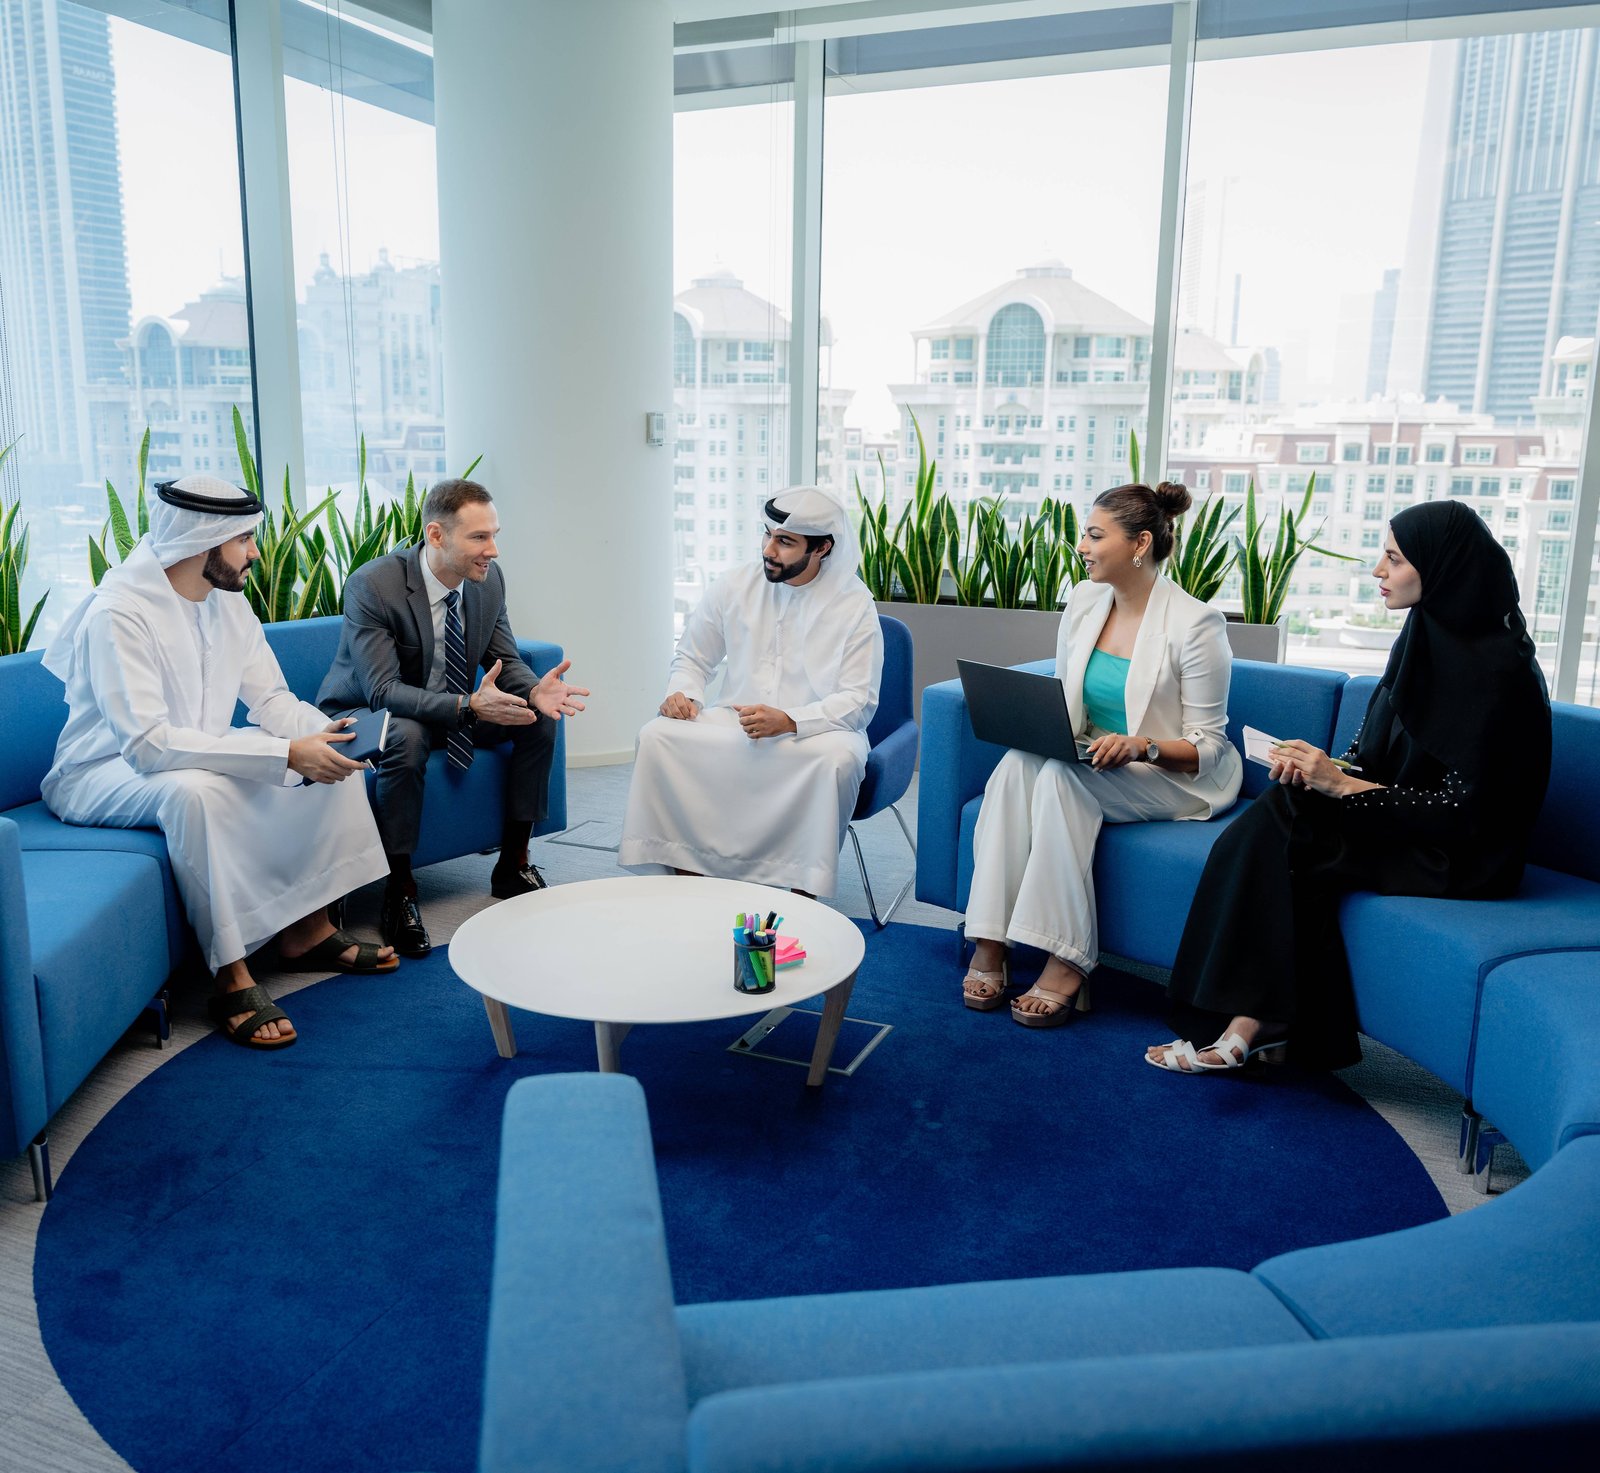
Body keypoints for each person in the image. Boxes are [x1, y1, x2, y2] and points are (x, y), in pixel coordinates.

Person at [1147, 498, 1552, 1074]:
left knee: (1288, 833)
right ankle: (1258, 1025)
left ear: (1440, 569)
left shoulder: (1502, 677)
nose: (1377, 571)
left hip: (1462, 855)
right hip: (1403, 823)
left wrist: (1339, 787)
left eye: (1393, 558)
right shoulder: (1421, 638)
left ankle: (1248, 1024)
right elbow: (1371, 755)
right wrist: (1321, 767)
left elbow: (1467, 813)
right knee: (1289, 807)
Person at [42, 475, 396, 1051]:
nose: (256, 553)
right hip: (102, 771)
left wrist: (321, 734)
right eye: (245, 540)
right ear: (203, 542)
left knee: (320, 760)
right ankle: (231, 977)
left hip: (193, 750)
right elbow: (148, 745)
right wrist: (281, 753)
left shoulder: (227, 603)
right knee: (197, 793)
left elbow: (272, 700)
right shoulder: (119, 613)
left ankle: (309, 931)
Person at [962, 481, 1242, 1028]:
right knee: (1018, 765)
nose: (1082, 546)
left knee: (1062, 785)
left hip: (1173, 773)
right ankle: (991, 940)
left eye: (1094, 535)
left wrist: (1143, 745)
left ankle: (1067, 959)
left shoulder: (1196, 624)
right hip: (1095, 754)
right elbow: (1071, 693)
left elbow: (1209, 745)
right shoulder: (1085, 599)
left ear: (1140, 543)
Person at [317, 478, 589, 958]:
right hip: (369, 716)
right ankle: (400, 890)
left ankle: (513, 863)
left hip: (452, 709)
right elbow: (384, 691)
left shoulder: (487, 584)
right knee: (406, 733)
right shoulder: (373, 585)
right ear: (437, 535)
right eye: (480, 538)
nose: (494, 550)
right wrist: (467, 706)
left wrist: (534, 690)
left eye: (495, 534)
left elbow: (506, 658)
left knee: (536, 717)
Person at [618, 484, 883, 896]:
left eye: (785, 542)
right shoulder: (734, 585)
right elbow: (692, 657)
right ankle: (690, 878)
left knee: (837, 761)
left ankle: (801, 890)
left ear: (823, 549)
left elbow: (858, 701)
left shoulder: (855, 604)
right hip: (735, 719)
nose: (769, 550)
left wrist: (792, 720)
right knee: (657, 736)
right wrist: (684, 693)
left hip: (818, 731)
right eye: (767, 535)